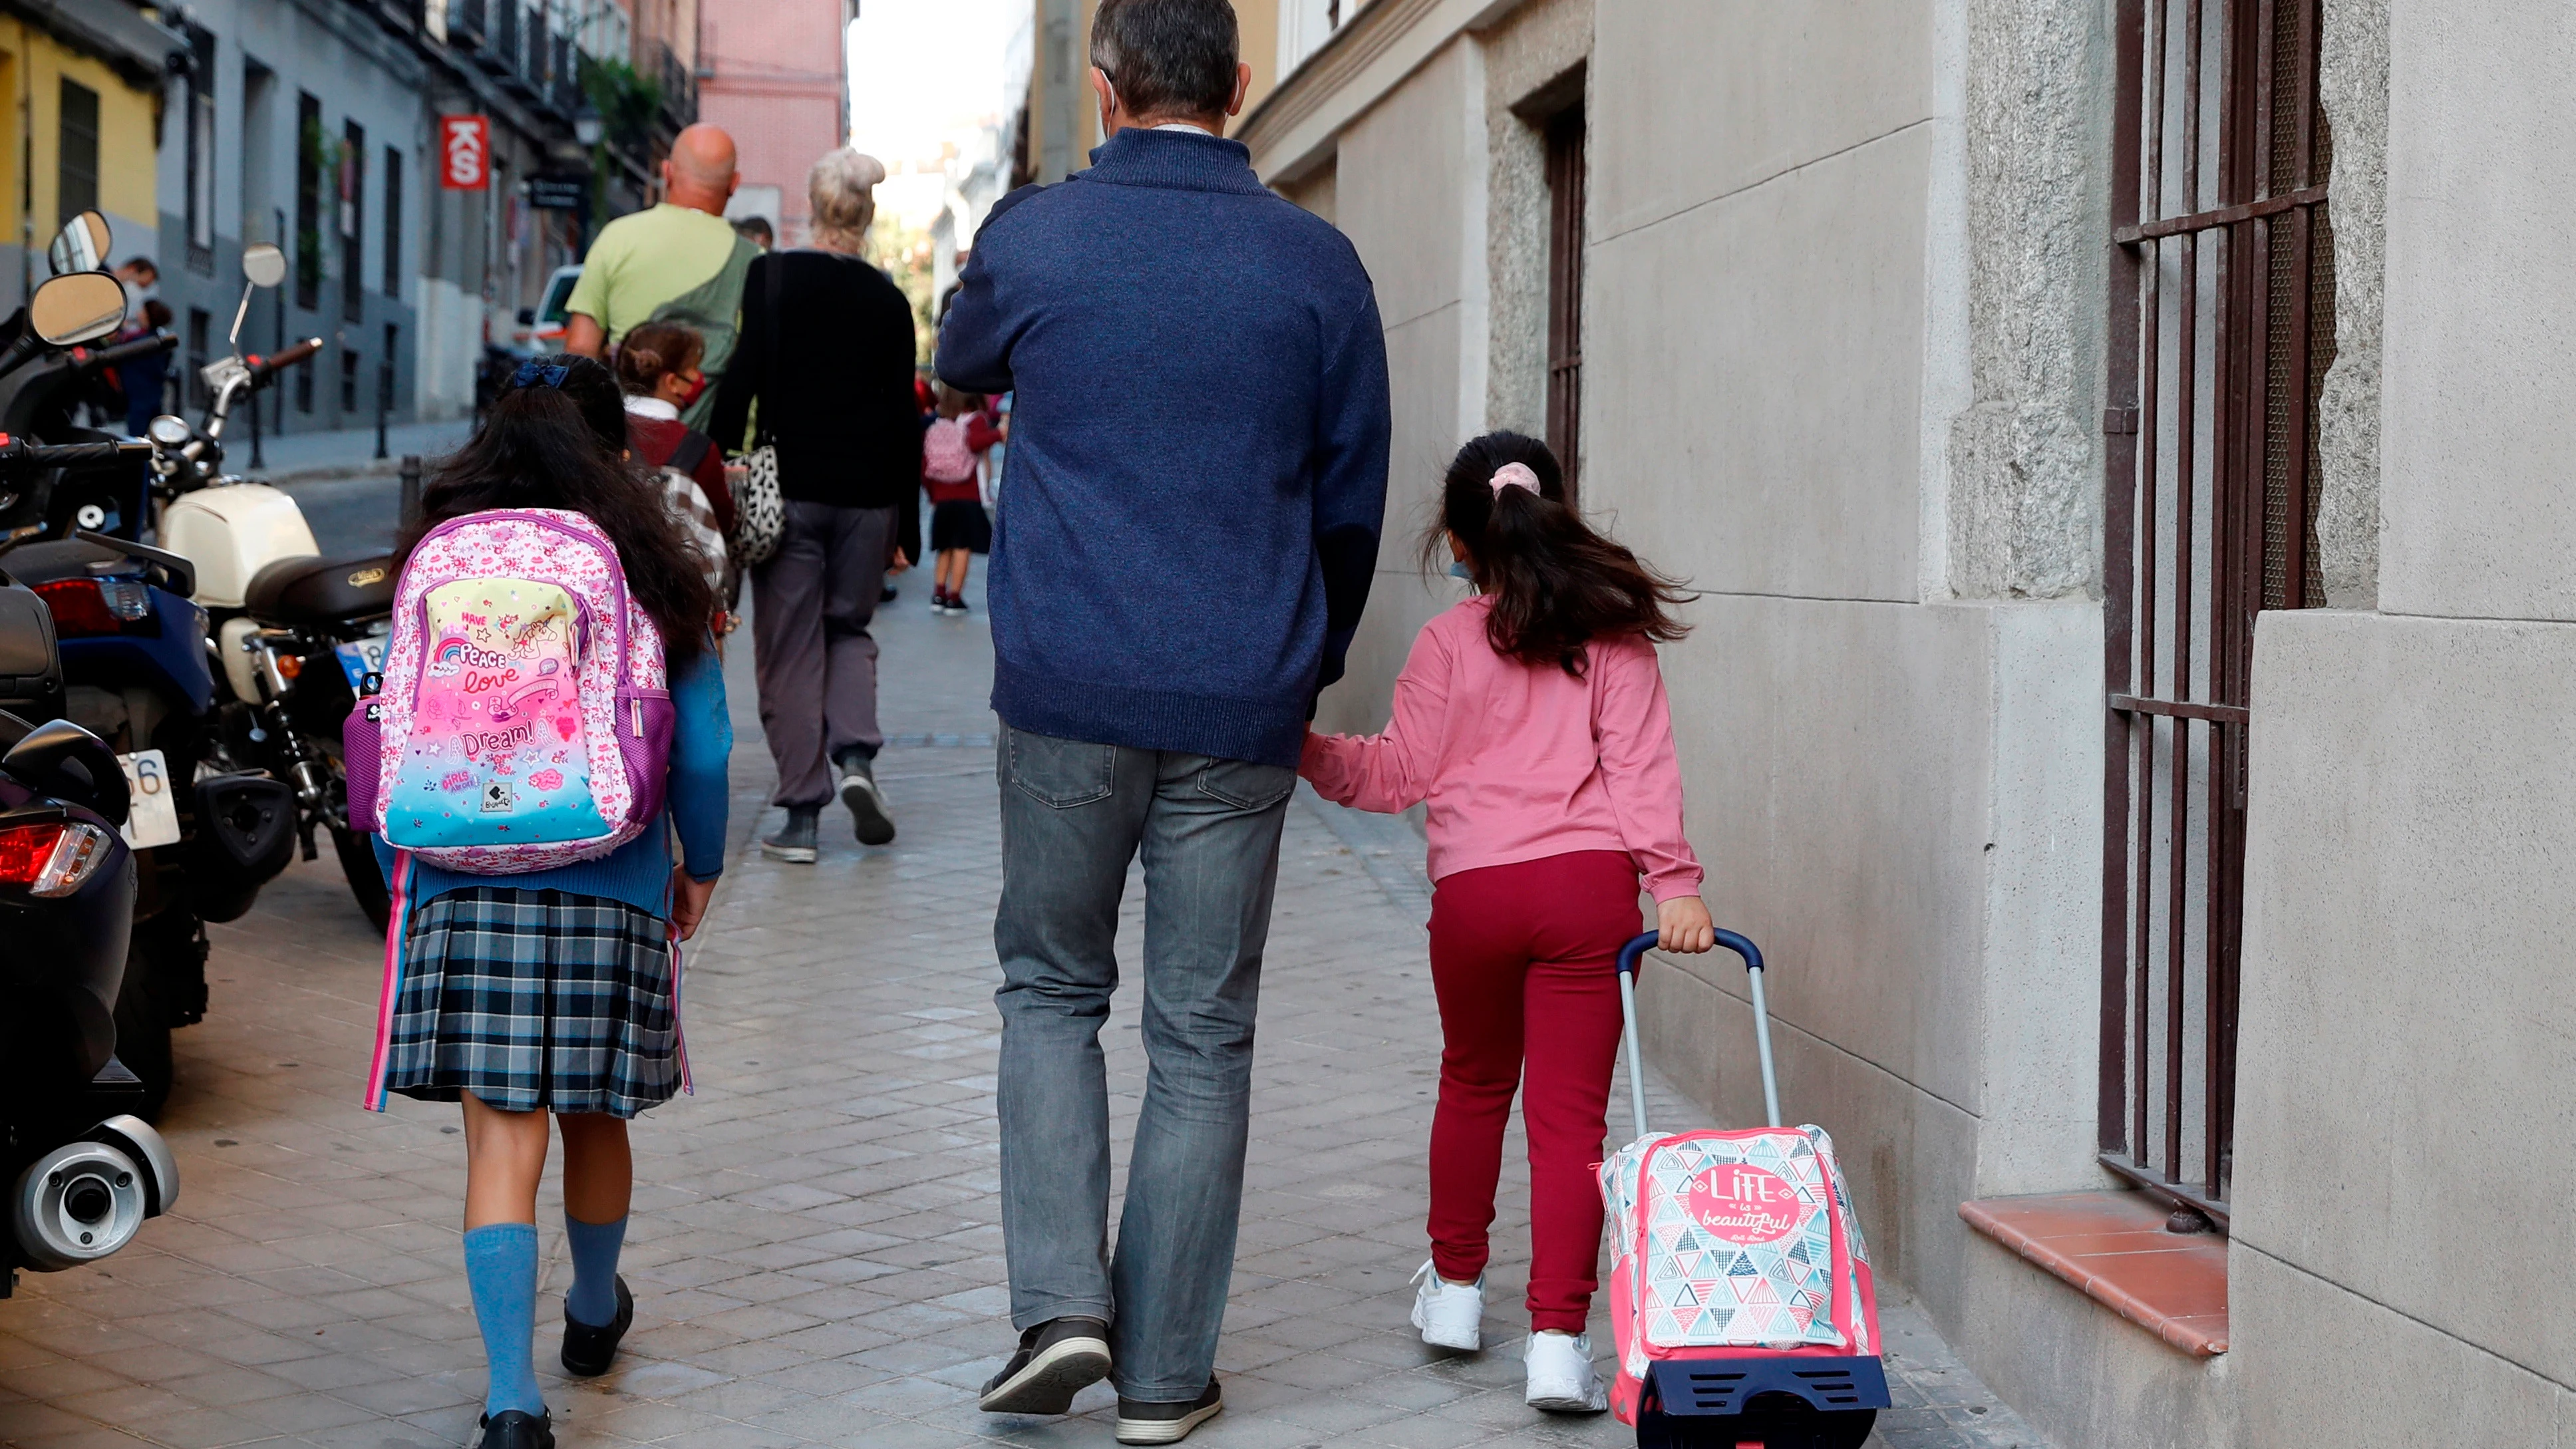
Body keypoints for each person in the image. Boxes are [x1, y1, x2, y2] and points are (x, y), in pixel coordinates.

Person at [935, 0, 1390, 1440]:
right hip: (1241, 687)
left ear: (1107, 83)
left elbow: (958, 360)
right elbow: (1352, 497)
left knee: (1050, 990)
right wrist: (1295, 662)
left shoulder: (1036, 234)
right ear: (1242, 84)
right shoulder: (1317, 263)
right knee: (1203, 1033)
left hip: (1067, 680)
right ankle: (1165, 1380)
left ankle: (1061, 1308)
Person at [1301, 432, 1714, 1416]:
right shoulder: (1612, 636)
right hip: (1588, 896)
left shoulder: (1447, 642)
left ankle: (1451, 1295)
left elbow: (1395, 774)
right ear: (1557, 516)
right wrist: (1677, 884)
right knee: (1572, 1120)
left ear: (1459, 540)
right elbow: (1640, 772)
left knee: (1474, 1081)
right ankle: (1559, 1349)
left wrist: (1301, 748)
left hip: (1477, 899)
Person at [363, 354, 732, 1449]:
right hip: (609, 877)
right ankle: (590, 1310)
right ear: (616, 453)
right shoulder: (648, 568)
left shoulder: (438, 558)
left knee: (499, 1142)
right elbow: (703, 747)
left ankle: (512, 1401)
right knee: (593, 1109)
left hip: (457, 883)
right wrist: (695, 863)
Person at [709, 148, 920, 863]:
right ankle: (856, 758)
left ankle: (801, 816)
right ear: (866, 214)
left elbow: (740, 380)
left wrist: (712, 464)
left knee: (789, 649)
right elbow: (903, 417)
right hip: (869, 500)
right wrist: (908, 529)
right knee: (849, 631)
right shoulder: (890, 300)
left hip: (789, 490)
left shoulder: (770, 276)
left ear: (814, 203)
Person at [564, 124, 758, 432]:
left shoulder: (618, 238)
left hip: (624, 448)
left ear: (667, 172)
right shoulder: (754, 261)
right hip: (707, 455)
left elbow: (580, 348)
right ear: (734, 184)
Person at [615, 321, 737, 619]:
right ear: (672, 382)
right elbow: (723, 520)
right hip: (676, 603)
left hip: (611, 589)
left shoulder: (599, 433)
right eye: (694, 369)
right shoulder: (699, 449)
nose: (699, 378)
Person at [921, 385, 989, 615]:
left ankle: (938, 593)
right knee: (962, 547)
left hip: (942, 497)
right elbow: (976, 443)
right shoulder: (976, 420)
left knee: (945, 547)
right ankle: (955, 597)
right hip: (966, 496)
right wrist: (1000, 434)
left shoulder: (938, 426)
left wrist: (933, 494)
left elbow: (925, 466)